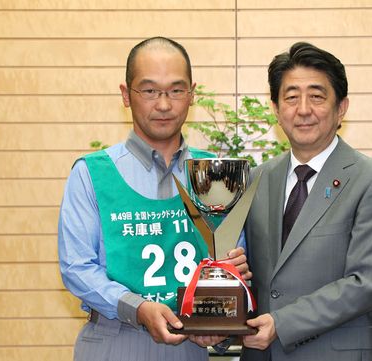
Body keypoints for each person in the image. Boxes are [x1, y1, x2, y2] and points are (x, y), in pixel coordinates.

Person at [58, 37, 250, 361]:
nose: (164, 104)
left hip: (190, 346)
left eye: (176, 90)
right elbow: (76, 267)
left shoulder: (218, 175)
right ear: (126, 95)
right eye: (149, 91)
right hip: (114, 340)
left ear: (192, 94)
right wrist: (138, 308)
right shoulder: (91, 173)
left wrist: (221, 317)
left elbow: (232, 263)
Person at [241, 42, 372, 361]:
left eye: (316, 96)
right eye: (290, 97)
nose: (303, 109)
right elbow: (251, 276)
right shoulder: (255, 180)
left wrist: (282, 323)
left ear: (341, 107)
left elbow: (366, 283)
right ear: (275, 107)